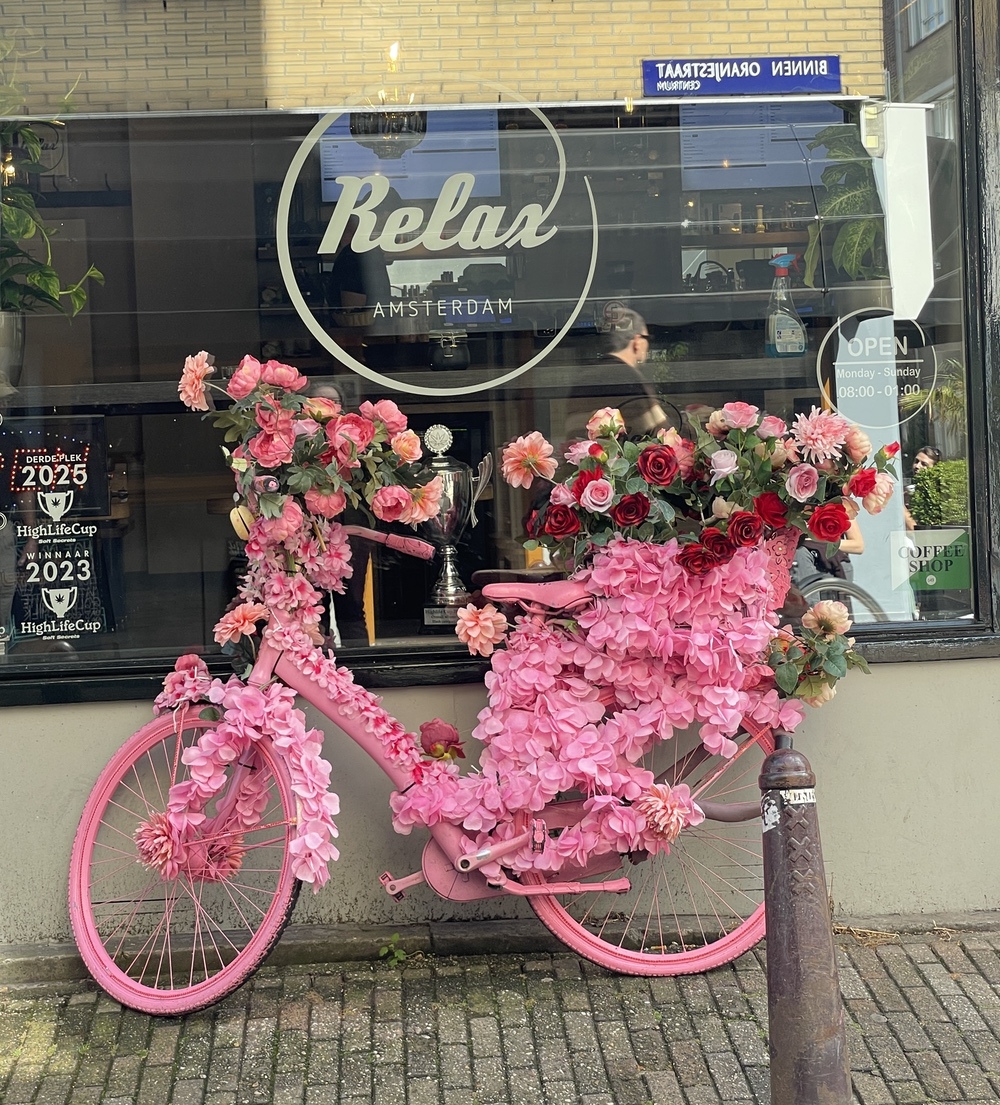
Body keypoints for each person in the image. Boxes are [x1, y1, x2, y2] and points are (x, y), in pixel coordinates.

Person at [904, 445, 941, 531]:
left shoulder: (934, 496)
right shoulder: (911, 491)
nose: (917, 466)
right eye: (916, 461)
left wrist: (900, 506)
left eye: (924, 464)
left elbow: (917, 532)